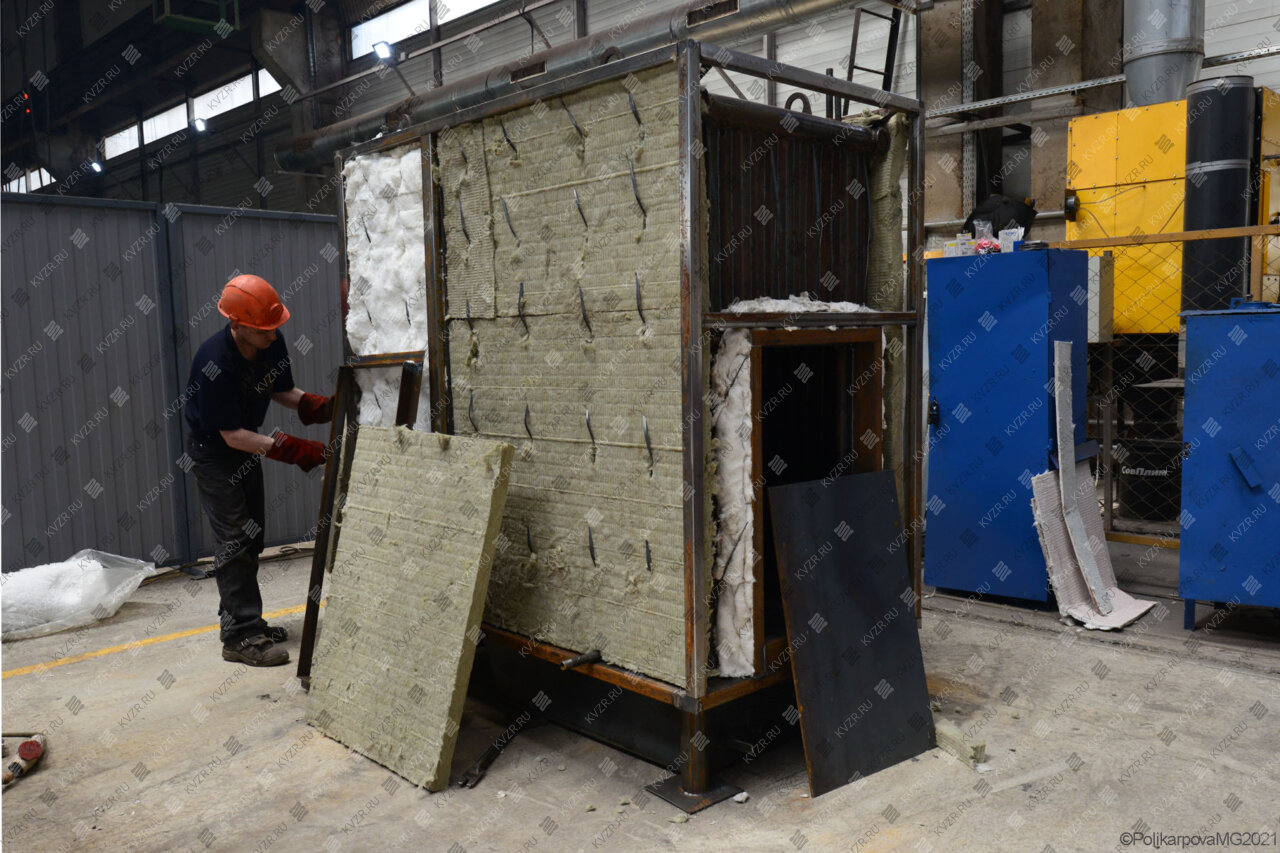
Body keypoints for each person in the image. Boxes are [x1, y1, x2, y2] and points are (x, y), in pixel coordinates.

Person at [184, 275, 333, 666]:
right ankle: (240, 636)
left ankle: (244, 621)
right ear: (237, 324)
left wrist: (319, 406)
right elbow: (232, 436)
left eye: (275, 326)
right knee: (234, 539)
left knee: (251, 538)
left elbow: (279, 389)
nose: (273, 333)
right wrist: (296, 450)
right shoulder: (214, 363)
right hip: (216, 453)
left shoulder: (271, 341)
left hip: (245, 446)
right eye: (264, 328)